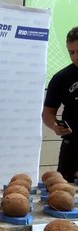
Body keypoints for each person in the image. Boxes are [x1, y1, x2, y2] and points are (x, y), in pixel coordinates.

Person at [42, 26, 78, 183]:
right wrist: (55, 126)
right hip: (72, 148)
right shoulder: (60, 78)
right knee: (64, 197)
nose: (76, 56)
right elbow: (47, 112)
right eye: (72, 52)